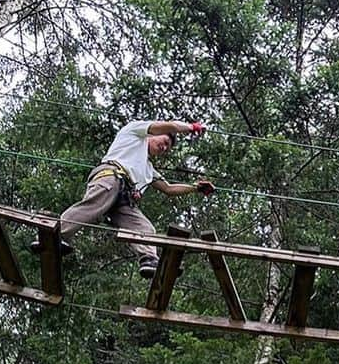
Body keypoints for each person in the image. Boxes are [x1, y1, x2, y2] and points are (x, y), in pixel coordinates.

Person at [42, 119, 214, 277]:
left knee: (144, 227)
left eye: (167, 149)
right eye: (165, 143)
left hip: (124, 197)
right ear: (154, 133)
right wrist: (192, 128)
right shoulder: (135, 133)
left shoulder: (148, 169)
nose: (164, 148)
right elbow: (172, 126)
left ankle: (149, 259)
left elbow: (168, 188)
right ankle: (56, 234)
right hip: (111, 177)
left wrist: (195, 188)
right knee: (92, 207)